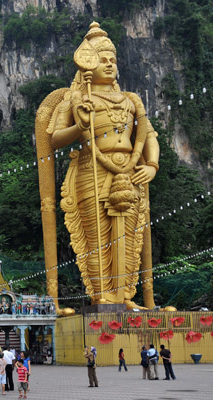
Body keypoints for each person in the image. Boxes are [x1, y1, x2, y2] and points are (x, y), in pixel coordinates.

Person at [41, 22, 161, 310]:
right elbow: (54, 138)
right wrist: (80, 125)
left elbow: (149, 136)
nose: (109, 65)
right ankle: (101, 295)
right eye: (102, 60)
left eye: (113, 61)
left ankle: (127, 297)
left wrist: (152, 165)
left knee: (131, 235)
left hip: (130, 172)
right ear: (87, 65)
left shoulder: (131, 100)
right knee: (98, 237)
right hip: (90, 171)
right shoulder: (77, 99)